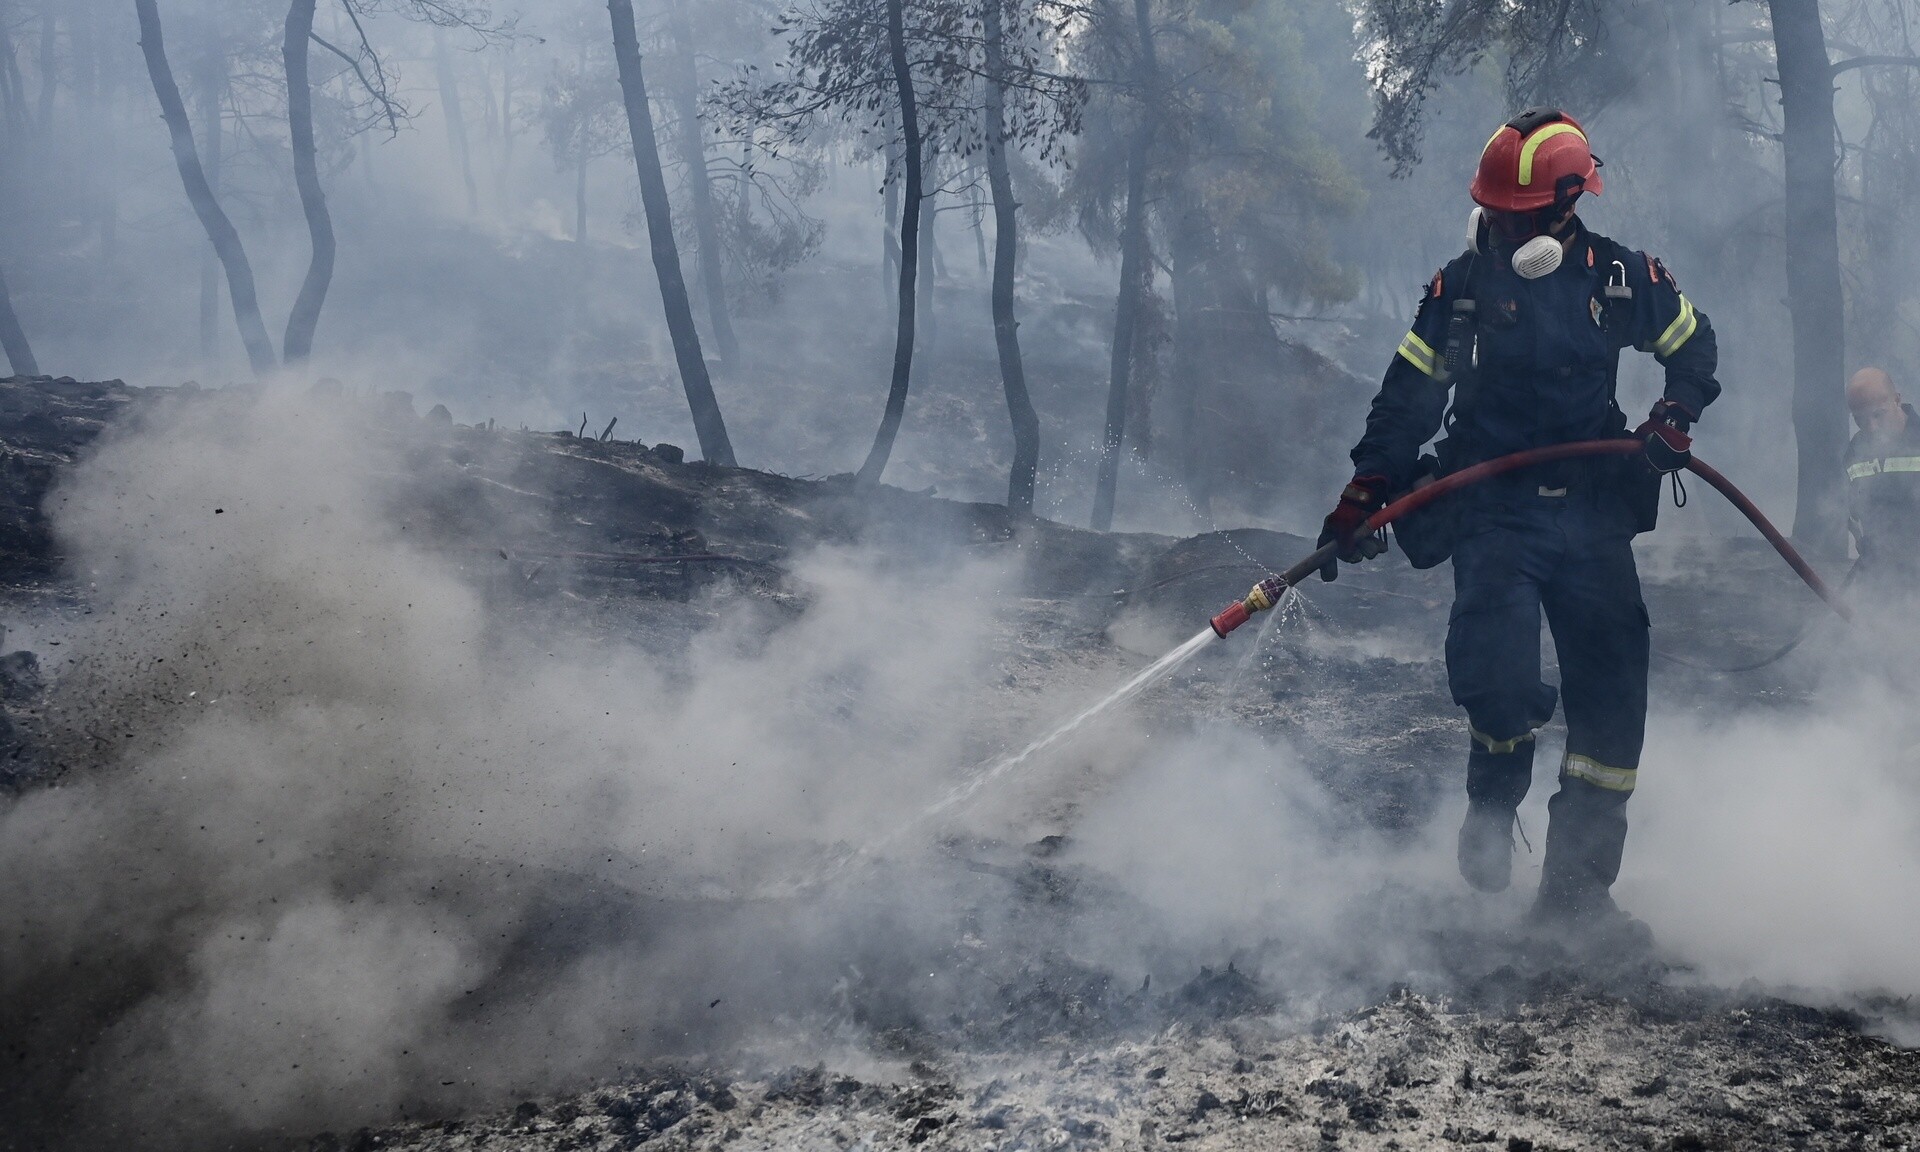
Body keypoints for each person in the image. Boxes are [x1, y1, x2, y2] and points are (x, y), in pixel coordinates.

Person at [1317, 109, 1720, 942]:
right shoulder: (1460, 289)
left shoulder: (1622, 279)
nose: (1503, 226)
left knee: (1610, 718)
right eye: (1494, 211)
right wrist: (1369, 486)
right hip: (1491, 508)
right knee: (1497, 680)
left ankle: (1575, 902)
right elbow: (1406, 399)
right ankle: (1493, 806)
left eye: (1518, 213)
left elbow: (1694, 345)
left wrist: (1674, 414)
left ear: (1566, 207)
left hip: (1593, 514)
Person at [1844, 367, 1920, 594]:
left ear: (1897, 400)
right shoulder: (1855, 452)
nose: (1871, 428)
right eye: (1860, 419)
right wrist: (1860, 539)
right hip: (1880, 578)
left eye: (1878, 414)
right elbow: (1848, 508)